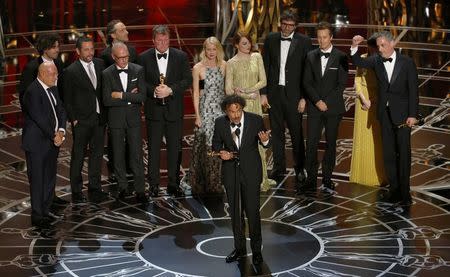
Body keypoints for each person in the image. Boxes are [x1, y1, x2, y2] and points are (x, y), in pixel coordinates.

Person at [351, 31, 418, 205]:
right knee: (388, 154)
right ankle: (394, 190)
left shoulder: (407, 62)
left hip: (403, 116)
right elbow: (358, 62)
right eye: (378, 46)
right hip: (384, 114)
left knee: (403, 154)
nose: (380, 49)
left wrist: (413, 114)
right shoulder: (376, 60)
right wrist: (354, 47)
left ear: (392, 44)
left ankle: (405, 192)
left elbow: (413, 91)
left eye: (383, 45)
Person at [212, 95, 270, 273]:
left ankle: (257, 252)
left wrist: (266, 140)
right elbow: (215, 145)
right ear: (226, 112)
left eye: (238, 110)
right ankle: (239, 249)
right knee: (236, 215)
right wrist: (222, 153)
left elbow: (265, 143)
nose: (235, 115)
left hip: (251, 173)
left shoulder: (256, 120)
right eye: (231, 111)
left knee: (253, 213)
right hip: (231, 174)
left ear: (242, 108)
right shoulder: (220, 123)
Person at [137, 25, 192, 197]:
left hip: (174, 109)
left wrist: (171, 90)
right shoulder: (143, 58)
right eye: (159, 40)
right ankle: (153, 184)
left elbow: (187, 80)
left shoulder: (181, 56)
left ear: (170, 39)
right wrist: (153, 91)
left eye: (166, 39)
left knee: (175, 148)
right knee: (153, 149)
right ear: (153, 40)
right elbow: (140, 82)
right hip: (154, 111)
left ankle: (174, 184)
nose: (162, 43)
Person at [261, 10, 312, 189]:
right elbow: (265, 67)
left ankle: (299, 169)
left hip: (294, 96)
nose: (286, 28)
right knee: (276, 133)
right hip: (274, 94)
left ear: (295, 27)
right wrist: (263, 93)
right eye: (284, 24)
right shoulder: (271, 39)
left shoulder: (304, 42)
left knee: (296, 134)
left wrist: (304, 97)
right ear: (280, 23)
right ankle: (278, 168)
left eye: (290, 25)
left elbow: (308, 71)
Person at [225, 31, 276, 192]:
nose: (248, 46)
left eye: (249, 43)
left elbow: (263, 81)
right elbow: (227, 89)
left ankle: (262, 179)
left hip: (254, 105)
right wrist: (242, 94)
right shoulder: (231, 63)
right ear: (236, 45)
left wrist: (248, 90)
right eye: (244, 43)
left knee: (258, 140)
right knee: (241, 142)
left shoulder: (257, 57)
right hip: (240, 107)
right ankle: (242, 178)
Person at [303, 21, 348, 191]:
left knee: (331, 143)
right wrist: (317, 101)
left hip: (333, 107)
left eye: (324, 37)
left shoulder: (341, 57)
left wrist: (326, 102)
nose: (321, 41)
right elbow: (306, 82)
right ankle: (311, 178)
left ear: (331, 37)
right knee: (312, 143)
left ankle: (327, 178)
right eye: (319, 37)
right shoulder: (310, 56)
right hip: (315, 107)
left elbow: (341, 84)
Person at [63, 37, 109, 203]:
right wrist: (73, 119)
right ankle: (76, 191)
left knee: (97, 154)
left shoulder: (100, 64)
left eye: (92, 49)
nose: (90, 53)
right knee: (78, 156)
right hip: (81, 121)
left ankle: (95, 187)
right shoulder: (70, 71)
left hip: (99, 118)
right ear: (78, 51)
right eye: (86, 50)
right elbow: (67, 99)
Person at [102, 42, 148, 203]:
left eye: (126, 57)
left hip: (133, 120)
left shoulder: (138, 70)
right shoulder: (107, 73)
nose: (124, 60)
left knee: (136, 154)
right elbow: (107, 100)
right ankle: (122, 188)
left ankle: (140, 190)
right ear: (114, 57)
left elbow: (142, 97)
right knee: (118, 155)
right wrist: (130, 97)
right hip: (115, 120)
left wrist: (121, 95)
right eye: (120, 58)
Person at [22, 62, 67, 228]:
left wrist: (61, 130)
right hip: (37, 144)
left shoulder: (53, 87)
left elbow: (61, 110)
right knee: (38, 179)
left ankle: (46, 209)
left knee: (49, 178)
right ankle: (37, 214)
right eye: (52, 74)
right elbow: (39, 118)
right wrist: (54, 135)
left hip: (53, 140)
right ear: (41, 74)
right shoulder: (32, 92)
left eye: (56, 74)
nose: (56, 77)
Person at [187, 37, 226, 194]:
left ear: (218, 49)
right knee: (204, 144)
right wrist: (197, 115)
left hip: (220, 110)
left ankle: (217, 179)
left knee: (219, 144)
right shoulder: (198, 67)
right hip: (204, 109)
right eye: (208, 49)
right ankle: (203, 181)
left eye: (214, 49)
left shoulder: (224, 65)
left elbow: (226, 89)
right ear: (204, 50)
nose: (211, 52)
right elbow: (196, 93)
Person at [100, 19, 137, 180]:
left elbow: (137, 75)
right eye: (123, 30)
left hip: (132, 104)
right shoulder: (105, 55)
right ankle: (115, 170)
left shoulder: (133, 51)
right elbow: (106, 83)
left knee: (131, 138)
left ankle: (130, 168)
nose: (127, 32)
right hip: (114, 106)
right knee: (116, 139)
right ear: (113, 35)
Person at [349, 35, 386, 186]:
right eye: (370, 46)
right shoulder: (363, 58)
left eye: (374, 47)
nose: (370, 49)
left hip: (376, 102)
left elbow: (384, 85)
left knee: (376, 139)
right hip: (362, 102)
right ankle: (360, 175)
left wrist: (372, 101)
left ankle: (376, 176)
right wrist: (363, 98)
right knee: (361, 137)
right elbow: (357, 80)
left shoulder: (381, 60)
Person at [19, 33, 65, 107]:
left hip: (59, 108)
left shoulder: (59, 63)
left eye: (58, 46)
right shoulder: (31, 67)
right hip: (41, 110)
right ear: (45, 49)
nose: (57, 50)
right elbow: (24, 96)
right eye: (53, 47)